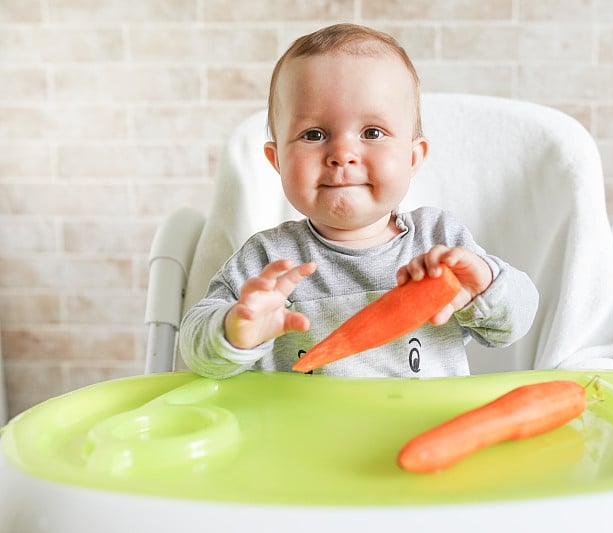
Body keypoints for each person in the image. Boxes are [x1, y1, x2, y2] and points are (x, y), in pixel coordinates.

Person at [179, 23, 538, 379]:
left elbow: (515, 324)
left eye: (372, 132)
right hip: (305, 436)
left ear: (413, 158)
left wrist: (485, 285)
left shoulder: (439, 241)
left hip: (421, 429)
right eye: (314, 134)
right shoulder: (268, 260)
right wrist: (235, 330)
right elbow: (197, 353)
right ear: (277, 161)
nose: (342, 154)